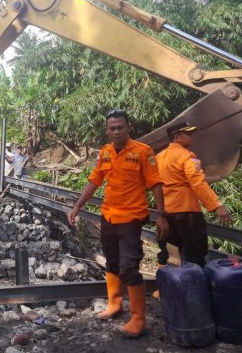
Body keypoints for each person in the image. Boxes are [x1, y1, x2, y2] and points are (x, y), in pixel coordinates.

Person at [67, 109, 168, 338]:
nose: (116, 131)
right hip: (109, 216)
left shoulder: (143, 152)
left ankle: (138, 318)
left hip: (131, 218)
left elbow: (155, 183)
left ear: (128, 127)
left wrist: (162, 214)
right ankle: (115, 304)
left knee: (129, 267)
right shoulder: (104, 153)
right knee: (112, 263)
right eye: (112, 128)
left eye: (120, 127)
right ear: (107, 130)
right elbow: (94, 180)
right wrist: (77, 206)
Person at [155, 122, 232, 268]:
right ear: (177, 137)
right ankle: (194, 286)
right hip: (187, 213)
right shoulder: (187, 156)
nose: (192, 137)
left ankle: (162, 288)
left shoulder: (159, 157)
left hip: (166, 212)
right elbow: (198, 183)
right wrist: (217, 205)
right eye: (188, 134)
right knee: (195, 254)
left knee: (169, 252)